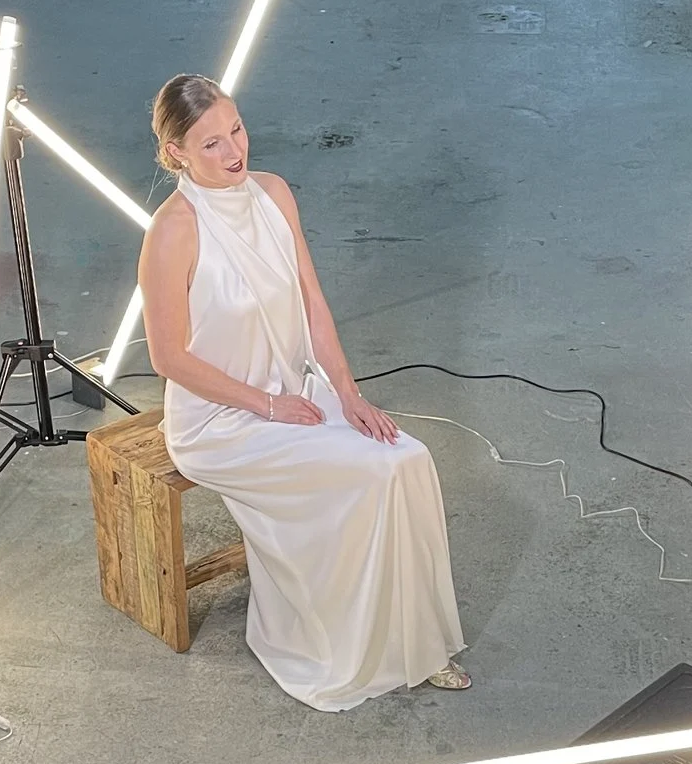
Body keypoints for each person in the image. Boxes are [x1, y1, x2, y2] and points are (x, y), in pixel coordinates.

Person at [135, 74, 469, 710]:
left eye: (236, 129)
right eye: (210, 144)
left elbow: (312, 300)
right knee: (371, 478)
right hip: (221, 423)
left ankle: (415, 646)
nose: (234, 151)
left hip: (295, 390)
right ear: (176, 152)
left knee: (409, 459)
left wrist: (348, 393)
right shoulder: (172, 232)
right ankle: (345, 645)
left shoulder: (273, 194)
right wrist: (265, 405)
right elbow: (168, 356)